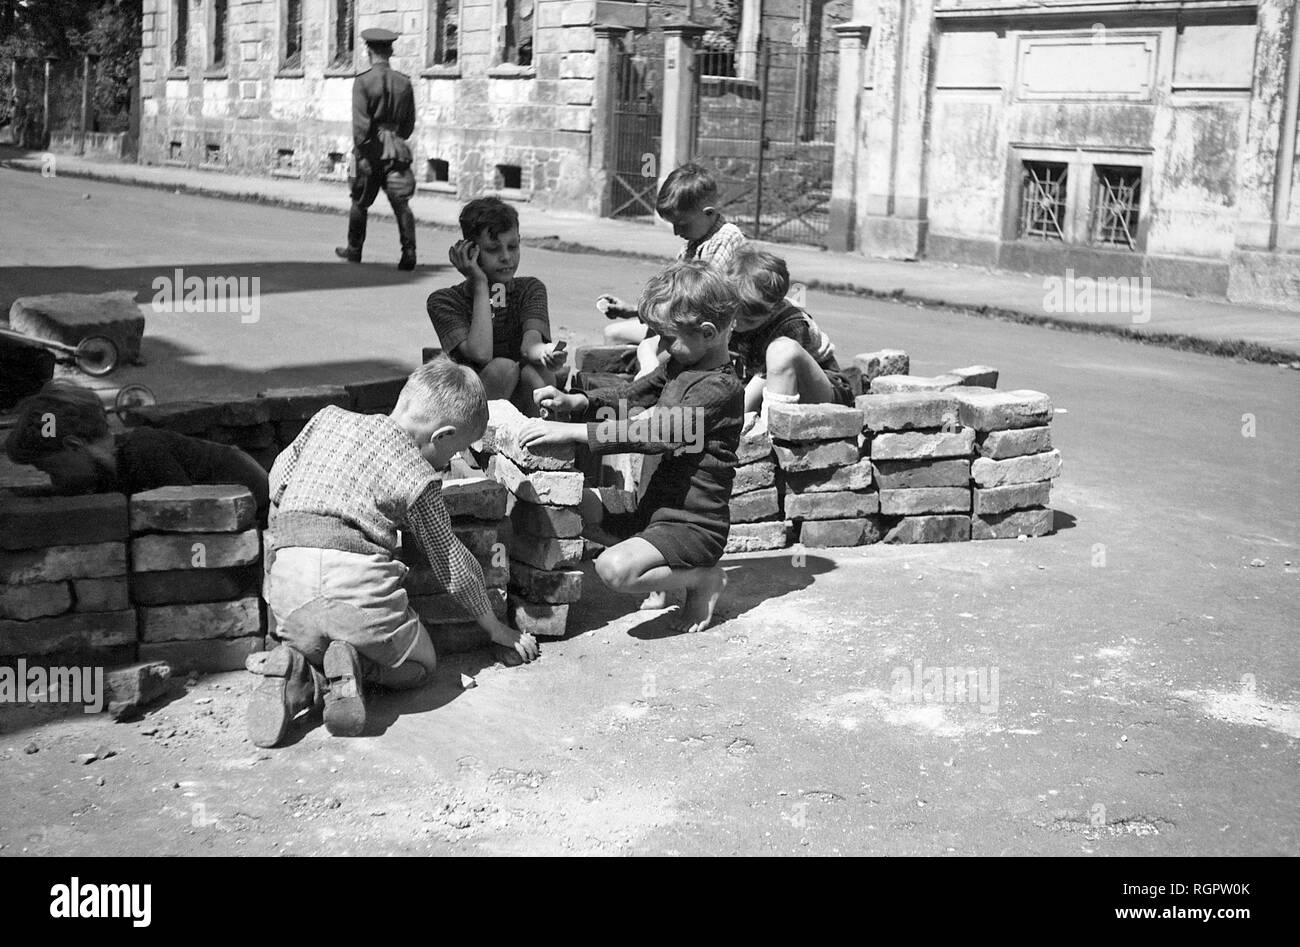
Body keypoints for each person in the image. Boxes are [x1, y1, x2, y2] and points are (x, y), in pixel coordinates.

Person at [247, 358, 538, 748]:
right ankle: (350, 669)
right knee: (421, 665)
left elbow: (278, 478)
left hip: (289, 587)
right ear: (442, 435)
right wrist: (495, 628)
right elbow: (450, 561)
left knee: (312, 634)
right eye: (458, 449)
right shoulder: (417, 475)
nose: (453, 461)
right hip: (357, 592)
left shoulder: (326, 419)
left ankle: (301, 669)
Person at [520, 261, 744, 634]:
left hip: (691, 525)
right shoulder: (679, 364)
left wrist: (576, 433)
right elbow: (631, 395)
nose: (662, 346)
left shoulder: (718, 389)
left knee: (613, 569)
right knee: (563, 502)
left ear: (708, 333)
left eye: (668, 337)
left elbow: (656, 433)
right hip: (650, 508)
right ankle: (660, 574)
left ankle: (702, 579)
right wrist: (577, 402)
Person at [3, 381, 270, 521]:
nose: (54, 480)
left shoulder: (144, 453)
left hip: (258, 510)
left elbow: (186, 518)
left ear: (74, 446)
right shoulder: (109, 467)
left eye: (51, 470)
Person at [599, 163, 747, 376]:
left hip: (708, 337)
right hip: (681, 325)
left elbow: (700, 301)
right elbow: (671, 296)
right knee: (613, 334)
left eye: (682, 224)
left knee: (651, 355)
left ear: (709, 213)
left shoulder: (726, 238)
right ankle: (627, 387)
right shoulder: (691, 245)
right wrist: (633, 310)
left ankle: (646, 393)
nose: (677, 232)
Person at [426, 197, 565, 415]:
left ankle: (547, 435)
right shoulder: (444, 301)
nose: (506, 257)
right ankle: (476, 446)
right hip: (469, 408)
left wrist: (546, 352)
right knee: (503, 368)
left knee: (540, 373)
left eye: (513, 246)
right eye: (493, 249)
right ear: (470, 251)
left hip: (518, 401)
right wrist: (481, 284)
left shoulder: (530, 288)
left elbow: (530, 346)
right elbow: (481, 354)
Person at [725, 246, 855, 433]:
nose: (737, 323)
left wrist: (731, 424)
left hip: (818, 390)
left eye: (749, 320)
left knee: (781, 353)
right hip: (764, 388)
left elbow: (761, 381)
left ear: (774, 307)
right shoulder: (732, 315)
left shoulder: (791, 324)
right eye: (733, 315)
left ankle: (770, 437)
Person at [334, 27, 417, 270]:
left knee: (360, 202)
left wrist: (362, 154)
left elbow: (360, 128)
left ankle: (355, 250)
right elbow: (409, 125)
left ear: (368, 51)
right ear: (390, 51)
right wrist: (394, 138)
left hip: (369, 153)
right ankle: (409, 253)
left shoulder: (362, 81)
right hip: (396, 151)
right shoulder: (404, 82)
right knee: (401, 203)